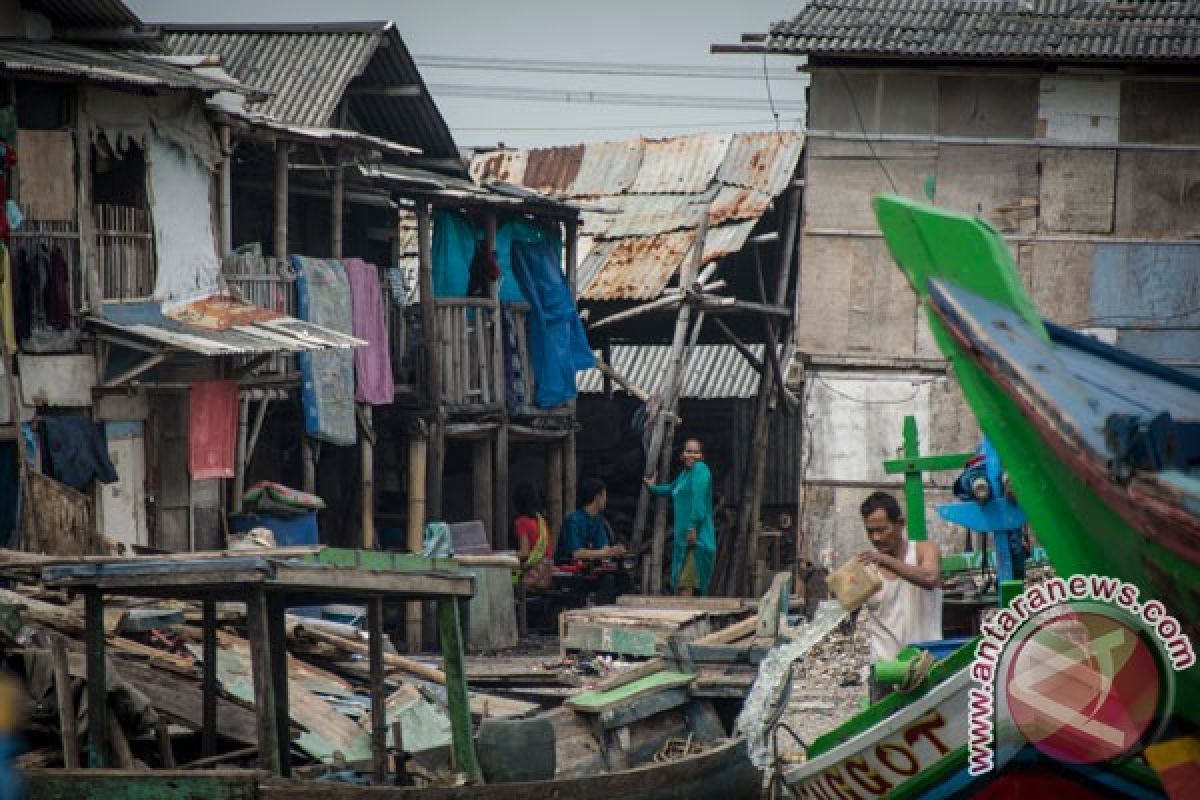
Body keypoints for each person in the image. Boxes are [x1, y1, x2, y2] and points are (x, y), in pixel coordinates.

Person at [856, 491, 942, 702]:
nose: (876, 538)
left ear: (900, 524)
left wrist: (885, 560)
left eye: (882, 530)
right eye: (870, 531)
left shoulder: (923, 550)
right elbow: (846, 618)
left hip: (924, 666)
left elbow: (930, 577)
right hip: (885, 673)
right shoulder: (866, 570)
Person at [644, 438, 715, 597]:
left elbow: (699, 502)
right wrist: (652, 487)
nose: (692, 455)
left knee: (685, 586)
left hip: (696, 540)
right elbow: (670, 489)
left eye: (696, 452)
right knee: (684, 586)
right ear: (682, 455)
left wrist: (692, 527)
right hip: (684, 540)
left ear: (701, 456)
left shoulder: (700, 470)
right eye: (688, 451)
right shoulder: (684, 475)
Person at [557, 477, 626, 562]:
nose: (606, 500)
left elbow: (604, 547)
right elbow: (576, 553)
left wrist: (614, 550)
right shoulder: (573, 520)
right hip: (568, 571)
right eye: (604, 496)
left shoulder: (598, 521)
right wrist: (607, 553)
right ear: (597, 497)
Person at [512, 483, 553, 590]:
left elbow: (524, 553)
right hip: (546, 575)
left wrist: (505, 556)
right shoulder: (541, 521)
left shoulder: (521, 521)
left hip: (532, 577)